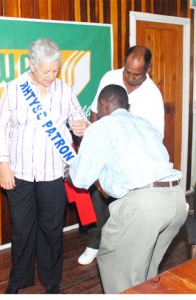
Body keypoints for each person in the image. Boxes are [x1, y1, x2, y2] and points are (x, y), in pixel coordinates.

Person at [67, 84, 188, 293]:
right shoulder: (146, 124)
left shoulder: (100, 127)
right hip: (176, 200)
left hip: (144, 206)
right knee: (145, 272)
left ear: (103, 104)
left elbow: (80, 179)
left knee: (116, 267)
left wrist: (69, 170)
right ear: (126, 105)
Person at [0, 38, 89, 294]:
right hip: (19, 172)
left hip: (52, 172)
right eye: (45, 70)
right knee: (22, 229)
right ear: (31, 65)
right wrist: (3, 164)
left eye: (55, 70)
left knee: (51, 229)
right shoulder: (14, 89)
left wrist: (81, 125)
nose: (51, 76)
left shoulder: (65, 90)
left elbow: (79, 117)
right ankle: (19, 279)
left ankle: (51, 280)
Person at [78, 45, 165, 265]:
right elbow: (97, 109)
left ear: (148, 69)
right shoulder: (110, 76)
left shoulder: (153, 96)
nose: (129, 77)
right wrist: (97, 140)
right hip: (105, 152)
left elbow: (156, 136)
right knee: (98, 199)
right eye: (127, 71)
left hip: (131, 163)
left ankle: (121, 246)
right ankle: (95, 242)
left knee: (125, 205)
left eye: (136, 74)